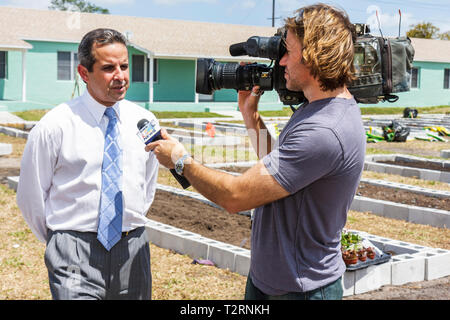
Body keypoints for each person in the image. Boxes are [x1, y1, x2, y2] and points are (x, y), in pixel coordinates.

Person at [145, 3, 365, 300]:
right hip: (273, 280)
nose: (282, 62)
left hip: (301, 290)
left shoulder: (325, 130)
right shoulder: (316, 109)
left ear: (315, 55)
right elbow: (284, 173)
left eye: (288, 51)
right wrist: (251, 117)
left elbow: (236, 197)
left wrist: (180, 160)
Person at [17, 28, 159, 300]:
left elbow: (147, 185)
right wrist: (63, 239)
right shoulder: (54, 126)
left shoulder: (145, 122)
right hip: (73, 250)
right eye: (108, 68)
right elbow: (31, 197)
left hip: (132, 248)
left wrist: (128, 223)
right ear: (84, 74)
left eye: (124, 66)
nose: (120, 76)